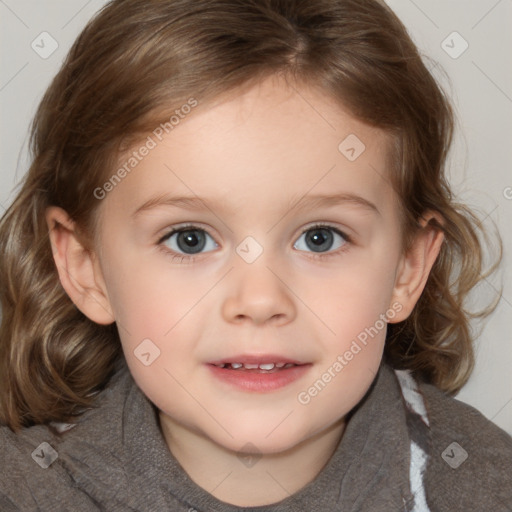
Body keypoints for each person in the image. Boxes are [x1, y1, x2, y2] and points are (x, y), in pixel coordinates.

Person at [0, 0, 511, 510]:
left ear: (407, 268)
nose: (261, 300)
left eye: (320, 238)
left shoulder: (487, 487)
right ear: (87, 268)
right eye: (189, 239)